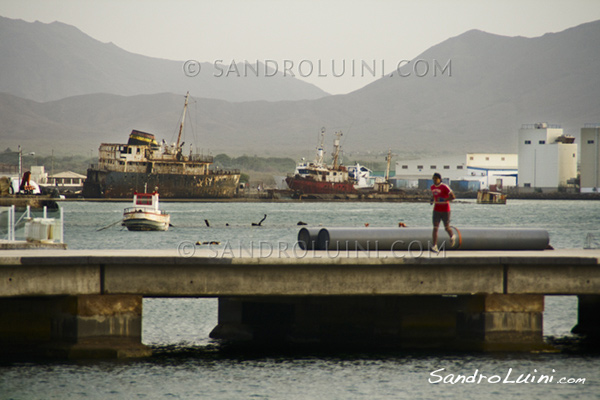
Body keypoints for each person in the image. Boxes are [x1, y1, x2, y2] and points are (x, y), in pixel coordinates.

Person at [430, 172, 456, 252]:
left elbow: (453, 197)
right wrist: (432, 200)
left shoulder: (444, 187)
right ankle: (434, 246)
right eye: (433, 179)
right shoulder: (432, 187)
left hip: (445, 210)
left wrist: (444, 199)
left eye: (436, 179)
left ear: (440, 179)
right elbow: (434, 196)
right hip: (436, 210)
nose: (434, 180)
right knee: (435, 228)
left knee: (446, 227)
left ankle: (452, 236)